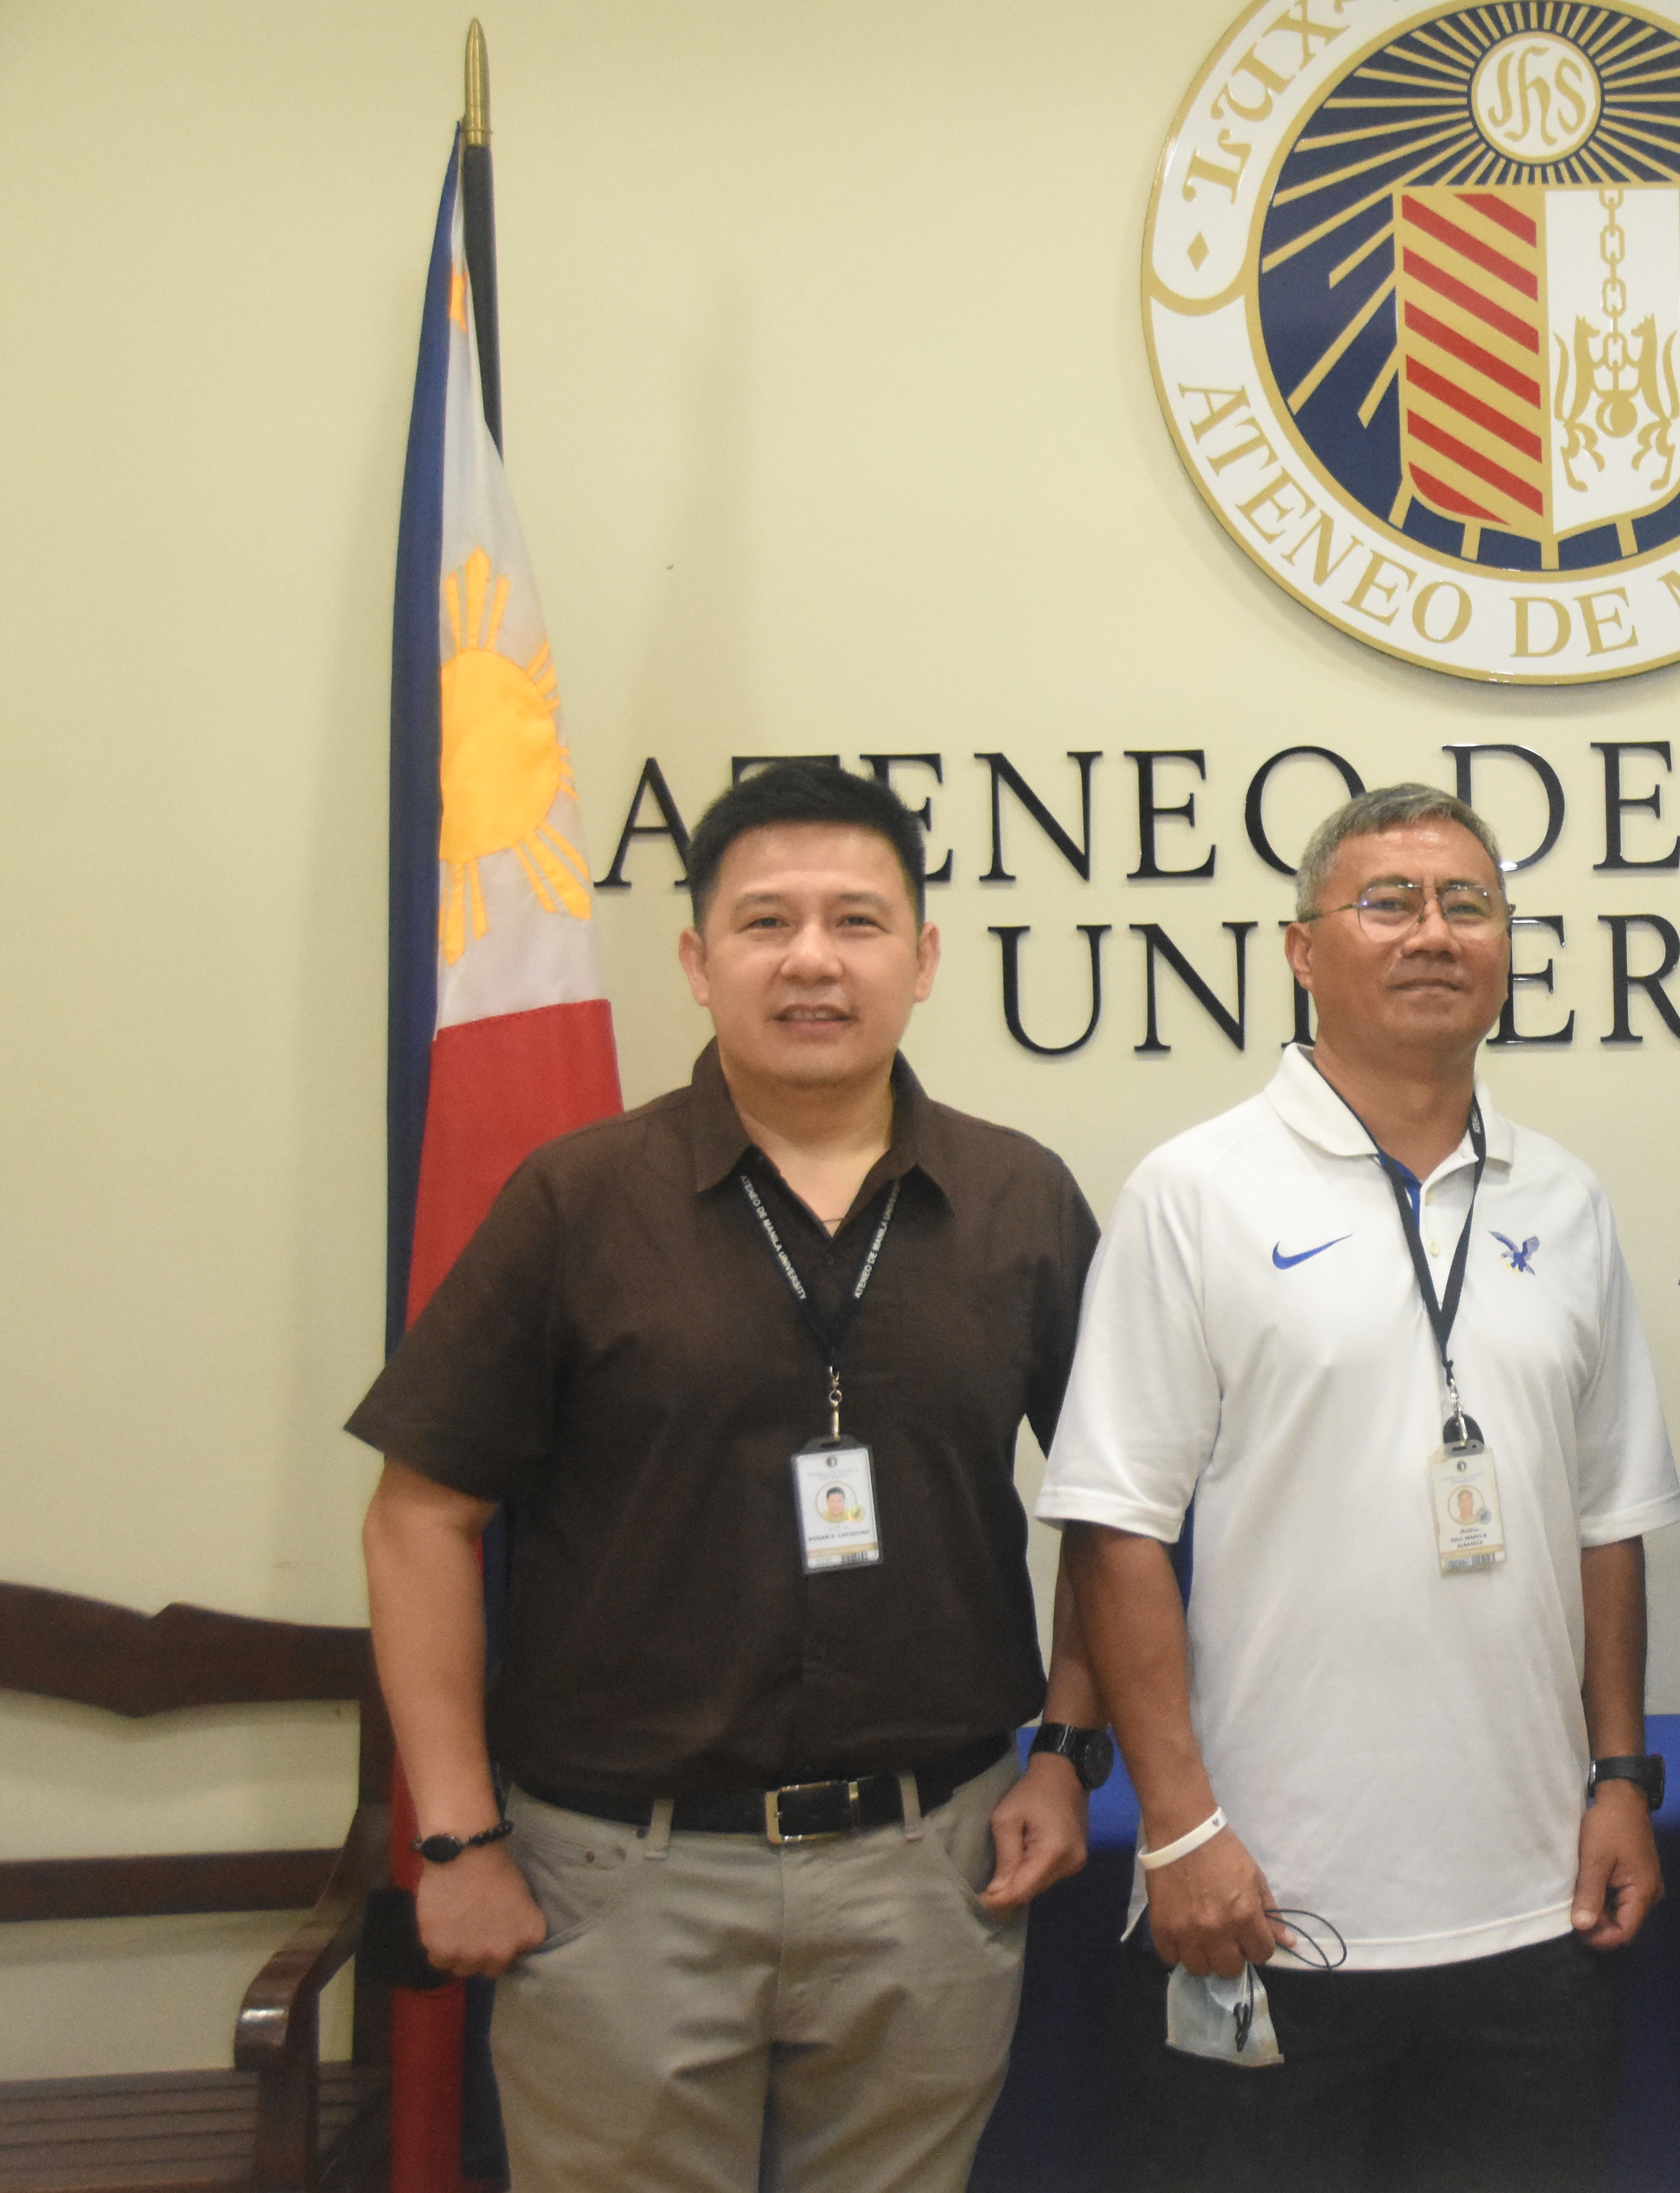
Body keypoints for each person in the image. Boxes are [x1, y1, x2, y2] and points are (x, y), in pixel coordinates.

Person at [351, 760, 1110, 2192]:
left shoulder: (1020, 1201)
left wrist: (1068, 1751)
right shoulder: (577, 1202)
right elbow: (417, 1520)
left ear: (925, 957)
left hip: (930, 1866)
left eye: (857, 922)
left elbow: (1113, 1508)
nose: (813, 959)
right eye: (766, 923)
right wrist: (454, 1834)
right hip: (621, 1883)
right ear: (698, 963)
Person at [1040, 784, 1680, 2193]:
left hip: (1532, 1902)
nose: (1433, 932)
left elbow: (1608, 1518)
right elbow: (1114, 1524)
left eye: (1469, 903)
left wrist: (1623, 1775)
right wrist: (1181, 1824)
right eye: (1387, 900)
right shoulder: (1194, 1192)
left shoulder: (1562, 1200)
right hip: (1270, 1897)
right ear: (1299, 948)